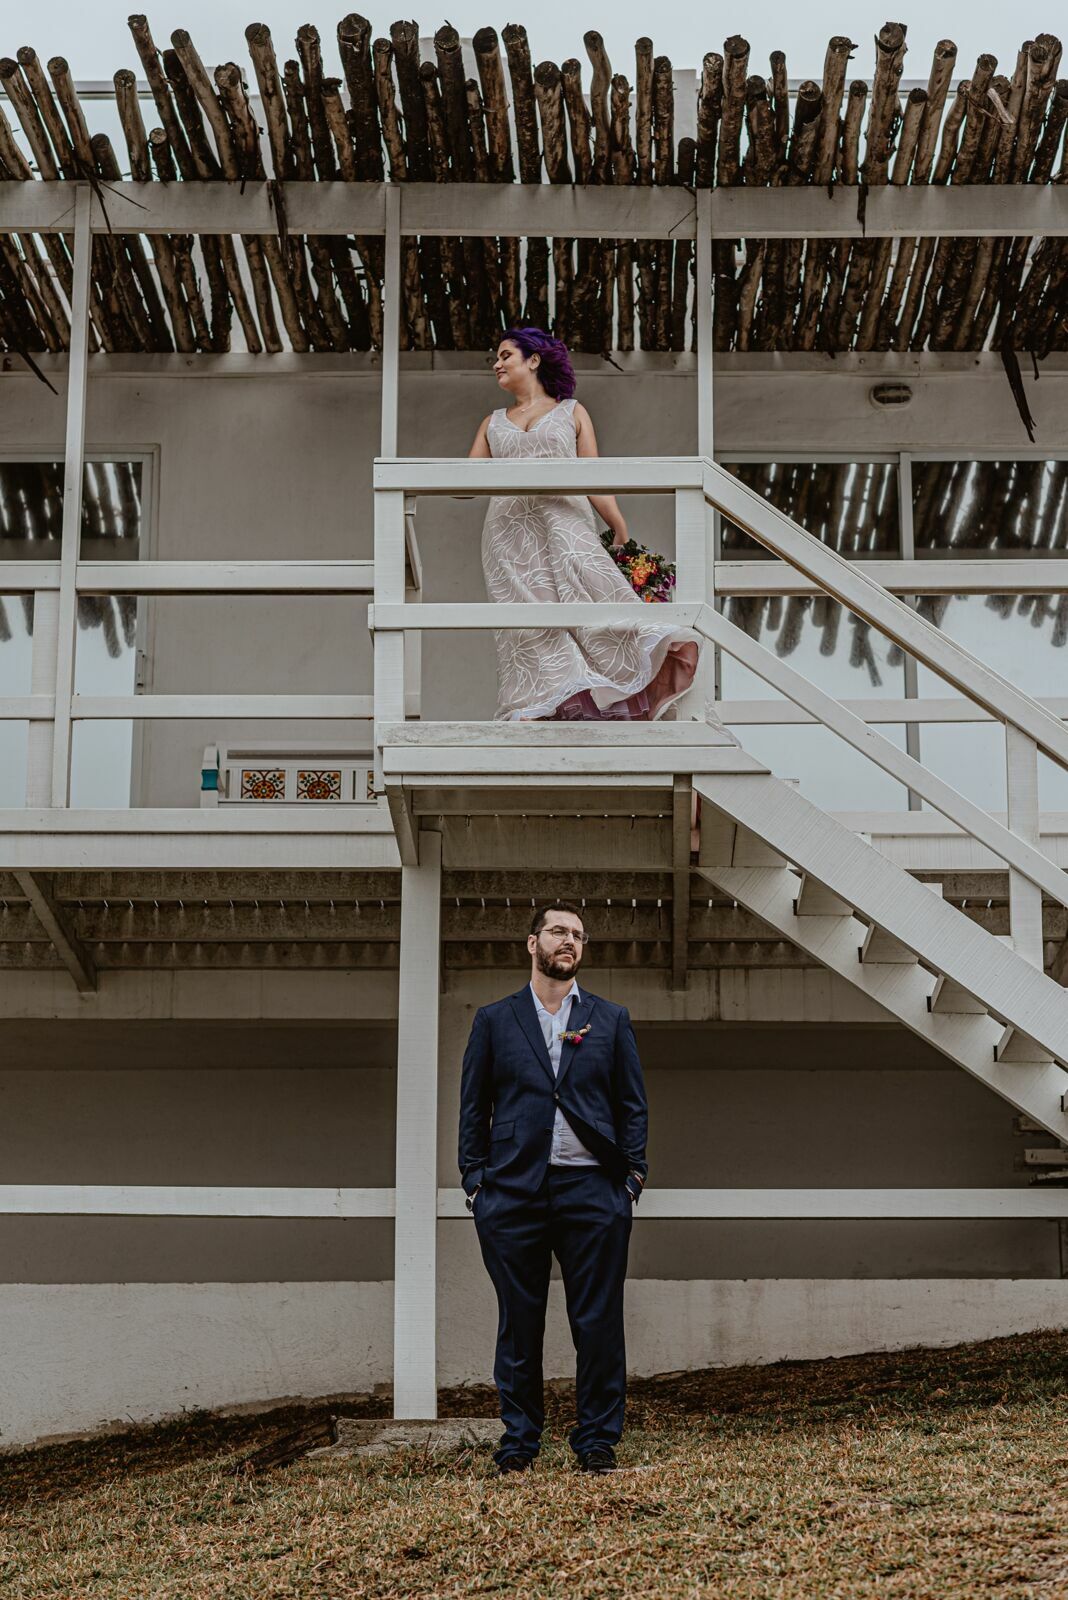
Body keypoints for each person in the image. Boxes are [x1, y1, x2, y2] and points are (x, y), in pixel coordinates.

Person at [458, 901, 649, 1474]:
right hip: (513, 1192)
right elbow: (474, 1107)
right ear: (532, 943)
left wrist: (631, 1179)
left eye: (579, 936)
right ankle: (519, 1442)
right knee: (519, 1320)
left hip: (593, 1190)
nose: (570, 941)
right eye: (559, 932)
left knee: (597, 1321)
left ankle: (596, 1441)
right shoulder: (495, 1020)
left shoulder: (609, 1019)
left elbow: (632, 1105)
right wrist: (476, 1183)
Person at [468, 327, 700, 721]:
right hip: (509, 535)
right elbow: (464, 485)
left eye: (506, 355)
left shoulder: (571, 412)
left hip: (566, 525)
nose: (497, 363)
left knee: (594, 600)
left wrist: (620, 529)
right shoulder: (491, 423)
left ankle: (618, 684)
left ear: (534, 360)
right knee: (530, 625)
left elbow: (594, 478)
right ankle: (538, 707)